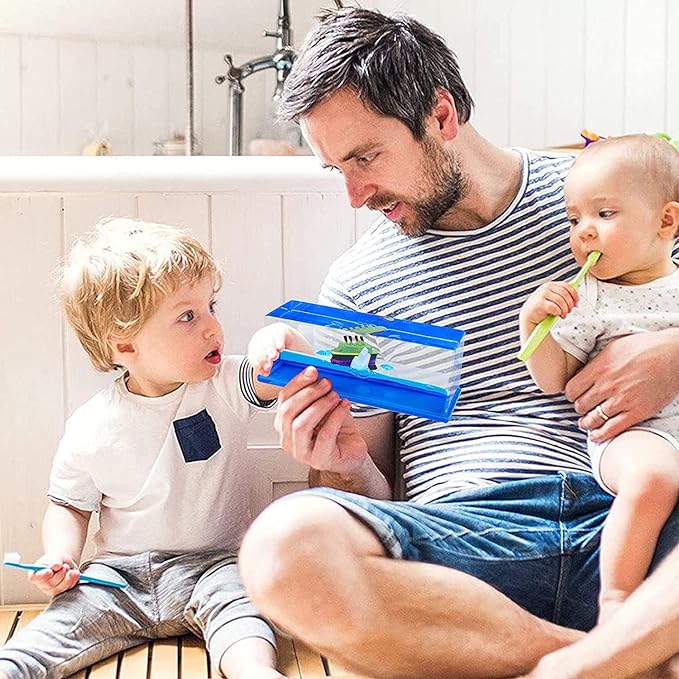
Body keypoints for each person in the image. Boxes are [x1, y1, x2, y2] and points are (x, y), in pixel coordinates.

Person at [237, 8, 679, 679]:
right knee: (280, 546)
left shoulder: (599, 199)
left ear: (440, 116)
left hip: (636, 519)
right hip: (464, 548)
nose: (355, 195)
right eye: (336, 170)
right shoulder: (359, 283)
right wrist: (344, 460)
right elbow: (374, 493)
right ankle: (606, 660)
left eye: (364, 157)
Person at [0, 218, 309, 679]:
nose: (213, 328)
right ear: (124, 344)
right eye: (188, 316)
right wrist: (59, 556)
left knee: (243, 610)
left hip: (216, 564)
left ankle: (254, 671)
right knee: (58, 626)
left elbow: (288, 371)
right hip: (118, 579)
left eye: (211, 306)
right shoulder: (92, 425)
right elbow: (69, 505)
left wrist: (281, 341)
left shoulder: (223, 383)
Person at [519, 134, 679, 624]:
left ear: (666, 221)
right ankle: (615, 604)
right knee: (653, 479)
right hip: (636, 435)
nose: (583, 232)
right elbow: (554, 379)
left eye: (604, 215)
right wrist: (533, 324)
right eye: (574, 219)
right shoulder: (587, 297)